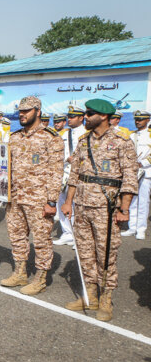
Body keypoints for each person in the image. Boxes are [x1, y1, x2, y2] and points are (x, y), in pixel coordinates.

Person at [61, 99, 138, 321]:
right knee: (85, 252)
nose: (85, 117)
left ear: (103, 116)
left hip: (107, 208)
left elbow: (130, 179)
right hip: (82, 206)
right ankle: (90, 295)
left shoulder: (122, 141)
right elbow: (75, 173)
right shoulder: (84, 141)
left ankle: (106, 299)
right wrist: (68, 202)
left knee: (106, 255)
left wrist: (124, 209)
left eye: (89, 113)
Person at [0, 96, 64, 294]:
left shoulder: (51, 137)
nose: (22, 114)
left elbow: (56, 172)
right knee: (17, 236)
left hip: (39, 200)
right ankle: (20, 272)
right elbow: (7, 168)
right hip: (16, 197)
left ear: (37, 111)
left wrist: (52, 201)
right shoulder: (15, 137)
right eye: (20, 111)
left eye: (26, 111)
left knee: (42, 239)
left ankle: (40, 277)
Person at [53, 105, 85, 246]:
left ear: (81, 118)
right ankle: (67, 232)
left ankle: (78, 236)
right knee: (62, 202)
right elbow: (58, 151)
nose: (69, 119)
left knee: (78, 205)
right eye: (69, 117)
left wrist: (77, 159)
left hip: (81, 174)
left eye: (72, 117)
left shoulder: (87, 134)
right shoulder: (64, 134)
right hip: (65, 172)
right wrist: (67, 158)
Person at [124, 110, 151, 239]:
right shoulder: (131, 135)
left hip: (146, 172)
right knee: (132, 200)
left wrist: (144, 163)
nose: (138, 121)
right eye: (136, 119)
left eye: (141, 119)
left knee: (143, 202)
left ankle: (141, 229)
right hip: (132, 172)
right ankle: (132, 226)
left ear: (148, 120)